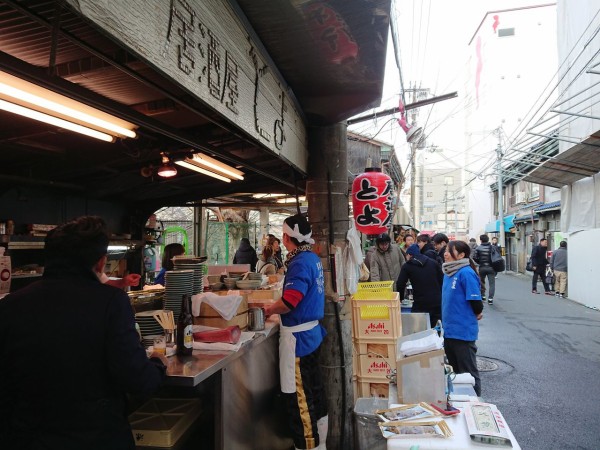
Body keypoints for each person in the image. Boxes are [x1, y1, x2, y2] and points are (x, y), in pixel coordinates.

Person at [0, 216, 167, 450]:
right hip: (95, 438)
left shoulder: (10, 305)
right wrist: (158, 366)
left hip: (26, 438)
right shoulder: (111, 302)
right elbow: (136, 379)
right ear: (100, 264)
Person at [263, 214, 328, 450]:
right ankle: (321, 444)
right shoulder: (312, 258)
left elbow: (290, 300)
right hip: (311, 336)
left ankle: (309, 446)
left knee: (300, 400)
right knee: (314, 393)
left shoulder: (299, 261)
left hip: (298, 341)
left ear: (286, 237)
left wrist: (268, 309)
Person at [442, 240, 484, 396]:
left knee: (469, 374)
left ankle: (476, 403)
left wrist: (478, 312)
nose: (445, 253)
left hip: (462, 332)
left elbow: (476, 302)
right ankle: (461, 403)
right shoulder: (448, 271)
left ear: (461, 255)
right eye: (445, 250)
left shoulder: (465, 272)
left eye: (449, 250)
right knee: (456, 374)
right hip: (450, 331)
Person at [396, 244, 443, 327]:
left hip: (420, 303)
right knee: (436, 328)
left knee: (419, 329)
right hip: (437, 301)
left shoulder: (407, 266)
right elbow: (442, 280)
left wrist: (400, 298)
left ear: (409, 255)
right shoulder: (433, 263)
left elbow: (400, 284)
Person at [473, 234, 496, 305]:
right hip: (491, 268)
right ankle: (490, 299)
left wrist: (480, 262)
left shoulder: (478, 248)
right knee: (492, 284)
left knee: (481, 282)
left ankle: (483, 296)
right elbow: (496, 257)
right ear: (488, 240)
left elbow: (475, 257)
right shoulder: (492, 247)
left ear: (481, 240)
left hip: (482, 268)